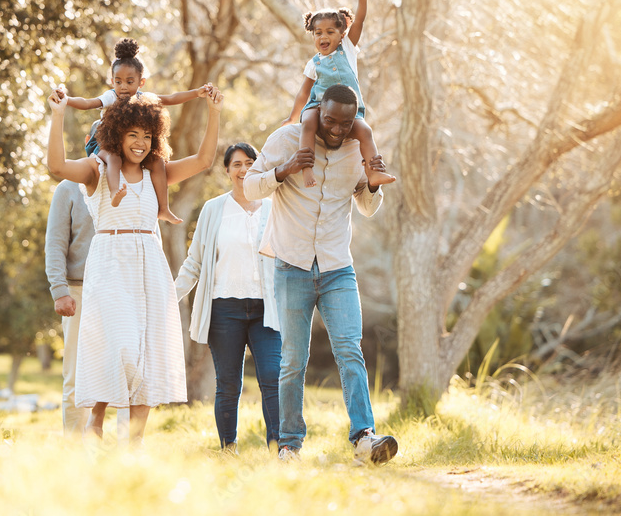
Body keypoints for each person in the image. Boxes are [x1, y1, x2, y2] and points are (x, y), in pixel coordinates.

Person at [46, 83, 224, 444]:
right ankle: (96, 419)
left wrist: (215, 111)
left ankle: (133, 446)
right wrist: (58, 113)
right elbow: (56, 166)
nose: (140, 142)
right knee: (121, 346)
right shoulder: (98, 171)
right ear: (116, 134)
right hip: (111, 263)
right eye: (132, 135)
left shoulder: (155, 174)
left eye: (147, 135)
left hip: (150, 267)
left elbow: (204, 161)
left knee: (149, 355)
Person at [244, 83, 398, 465]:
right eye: (330, 120)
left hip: (336, 267)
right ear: (317, 111)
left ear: (355, 121)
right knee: (293, 360)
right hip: (291, 266)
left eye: (346, 123)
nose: (337, 130)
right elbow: (249, 186)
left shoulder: (356, 149)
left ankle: (364, 437)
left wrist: (375, 187)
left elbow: (365, 207)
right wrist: (284, 170)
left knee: (350, 350)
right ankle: (290, 445)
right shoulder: (286, 139)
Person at [174, 143, 281, 452]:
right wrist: (170, 297)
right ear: (227, 170)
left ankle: (280, 449)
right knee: (229, 383)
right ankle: (228, 448)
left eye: (250, 162)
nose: (244, 169)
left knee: (273, 377)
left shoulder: (274, 207)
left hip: (267, 310)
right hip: (225, 309)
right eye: (237, 164)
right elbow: (194, 261)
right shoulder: (213, 209)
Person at [58, 37, 214, 224]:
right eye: (118, 81)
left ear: (141, 82)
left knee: (158, 162)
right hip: (102, 140)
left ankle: (163, 208)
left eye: (129, 82)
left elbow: (172, 98)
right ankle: (115, 192)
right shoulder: (110, 96)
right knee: (114, 158)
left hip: (126, 144)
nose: (123, 87)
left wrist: (196, 93)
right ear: (112, 81)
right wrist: (66, 100)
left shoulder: (144, 97)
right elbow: (87, 103)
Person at [44, 154, 129, 438]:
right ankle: (74, 447)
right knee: (76, 375)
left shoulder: (131, 184)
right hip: (78, 291)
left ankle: (125, 446)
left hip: (121, 291)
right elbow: (55, 243)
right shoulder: (68, 188)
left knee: (125, 370)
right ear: (88, 145)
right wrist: (60, 291)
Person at [284, 0, 395, 189]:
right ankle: (307, 168)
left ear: (342, 33)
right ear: (313, 35)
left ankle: (374, 173)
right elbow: (303, 93)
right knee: (307, 123)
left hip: (349, 111)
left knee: (365, 132)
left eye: (330, 32)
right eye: (318, 33)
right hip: (318, 108)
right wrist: (292, 117)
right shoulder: (313, 63)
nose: (323, 37)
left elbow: (360, 21)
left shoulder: (348, 48)